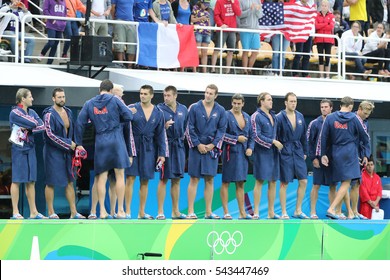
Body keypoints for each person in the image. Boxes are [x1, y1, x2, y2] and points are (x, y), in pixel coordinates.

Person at [74, 79, 135, 219]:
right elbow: (129, 115)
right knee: (120, 176)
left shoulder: (89, 103)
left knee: (101, 177)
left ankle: (102, 211)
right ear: (111, 90)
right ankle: (120, 210)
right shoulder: (115, 99)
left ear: (99, 90)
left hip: (100, 140)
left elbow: (79, 123)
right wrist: (115, 118)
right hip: (116, 139)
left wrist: (79, 142)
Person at [319, 96, 370, 219]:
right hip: (350, 152)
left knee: (343, 182)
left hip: (335, 152)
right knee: (347, 182)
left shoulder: (330, 118)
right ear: (351, 107)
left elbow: (323, 137)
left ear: (340, 105)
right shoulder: (354, 118)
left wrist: (323, 154)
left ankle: (345, 211)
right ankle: (332, 208)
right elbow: (365, 137)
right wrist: (365, 154)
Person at [125, 85, 167, 220]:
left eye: (145, 94)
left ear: (152, 95)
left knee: (145, 181)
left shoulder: (158, 112)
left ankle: (141, 212)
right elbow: (125, 129)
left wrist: (162, 154)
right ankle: (126, 211)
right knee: (130, 178)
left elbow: (161, 134)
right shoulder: (131, 108)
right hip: (133, 147)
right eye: (141, 93)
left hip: (149, 148)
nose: (142, 96)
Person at [87, 85, 129, 219]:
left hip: (109, 144)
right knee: (101, 177)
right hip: (112, 143)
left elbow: (129, 133)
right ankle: (95, 210)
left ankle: (112, 211)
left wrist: (130, 152)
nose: (118, 96)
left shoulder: (119, 104)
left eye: (120, 95)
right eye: (117, 94)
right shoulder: (110, 102)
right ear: (111, 91)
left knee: (111, 179)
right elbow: (128, 117)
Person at [42, 88, 85, 219]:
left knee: (70, 181)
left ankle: (74, 212)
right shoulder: (49, 114)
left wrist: (77, 145)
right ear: (53, 99)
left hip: (67, 153)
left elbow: (74, 129)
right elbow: (49, 135)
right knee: (51, 182)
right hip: (52, 152)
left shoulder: (68, 112)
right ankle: (51, 212)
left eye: (63, 96)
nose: (62, 99)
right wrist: (68, 144)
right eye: (59, 97)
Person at [186, 84, 227, 219]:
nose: (208, 95)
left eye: (211, 93)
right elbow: (189, 127)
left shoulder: (220, 110)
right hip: (196, 148)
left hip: (211, 149)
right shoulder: (194, 107)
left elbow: (222, 130)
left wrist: (213, 145)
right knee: (194, 179)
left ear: (216, 96)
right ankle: (190, 211)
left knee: (209, 179)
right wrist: (197, 144)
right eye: (206, 92)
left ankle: (208, 212)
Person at [9, 88, 46, 219]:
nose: (32, 99)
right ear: (23, 99)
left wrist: (30, 127)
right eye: (30, 96)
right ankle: (15, 212)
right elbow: (34, 123)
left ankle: (33, 212)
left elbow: (42, 126)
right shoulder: (15, 112)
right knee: (17, 180)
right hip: (19, 149)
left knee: (31, 181)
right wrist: (32, 124)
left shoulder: (32, 112)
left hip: (30, 148)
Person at [156, 86, 188, 220]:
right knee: (164, 179)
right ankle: (160, 212)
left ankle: (176, 211)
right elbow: (154, 129)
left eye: (168, 95)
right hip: (166, 146)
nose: (166, 98)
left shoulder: (183, 109)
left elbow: (186, 127)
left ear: (175, 96)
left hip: (179, 147)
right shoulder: (159, 109)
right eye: (164, 95)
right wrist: (163, 126)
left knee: (176, 180)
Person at [220, 94, 253, 220]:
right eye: (234, 103)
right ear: (231, 103)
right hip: (230, 152)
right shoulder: (226, 115)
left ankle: (242, 213)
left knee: (240, 183)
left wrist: (250, 148)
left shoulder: (247, 118)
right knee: (226, 182)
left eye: (239, 104)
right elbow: (221, 134)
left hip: (243, 154)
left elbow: (251, 136)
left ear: (243, 104)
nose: (236, 106)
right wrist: (236, 139)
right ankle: (226, 212)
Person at [276, 92, 308, 219]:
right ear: (286, 102)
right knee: (284, 182)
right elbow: (276, 136)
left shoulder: (300, 116)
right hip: (285, 150)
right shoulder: (279, 117)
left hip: (298, 150)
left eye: (295, 101)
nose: (293, 103)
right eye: (291, 101)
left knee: (304, 181)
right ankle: (284, 211)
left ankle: (298, 210)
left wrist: (305, 151)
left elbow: (304, 136)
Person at [251, 92, 283, 219]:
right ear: (261, 101)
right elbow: (256, 136)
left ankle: (271, 212)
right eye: (269, 99)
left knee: (273, 181)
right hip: (261, 152)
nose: (271, 101)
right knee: (259, 181)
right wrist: (273, 141)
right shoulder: (256, 116)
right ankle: (256, 211)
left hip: (273, 153)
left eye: (271, 99)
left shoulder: (274, 116)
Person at [307, 99, 336, 219]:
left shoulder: (335, 122)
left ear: (331, 108)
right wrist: (313, 158)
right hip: (318, 159)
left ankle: (332, 211)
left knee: (333, 186)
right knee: (316, 185)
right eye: (322, 107)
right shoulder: (314, 123)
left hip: (332, 160)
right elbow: (309, 142)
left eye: (326, 107)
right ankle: (312, 212)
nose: (323, 109)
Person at [347, 100, 374, 219]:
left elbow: (366, 141)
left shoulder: (366, 123)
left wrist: (365, 156)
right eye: (364, 113)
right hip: (348, 155)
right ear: (359, 109)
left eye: (368, 114)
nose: (366, 116)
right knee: (345, 184)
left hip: (359, 156)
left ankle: (354, 210)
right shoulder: (350, 118)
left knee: (356, 183)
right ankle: (348, 211)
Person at [210, 0, 241, 74]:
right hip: (222, 30)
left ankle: (228, 71)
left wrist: (233, 3)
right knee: (217, 48)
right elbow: (216, 15)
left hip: (232, 29)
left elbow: (238, 13)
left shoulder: (235, 1)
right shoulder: (219, 1)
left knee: (231, 51)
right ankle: (213, 69)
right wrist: (220, 24)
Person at [291, 0, 316, 78]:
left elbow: (313, 19)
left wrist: (313, 32)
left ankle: (305, 73)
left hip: (309, 32)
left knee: (307, 54)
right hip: (299, 32)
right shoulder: (296, 5)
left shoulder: (311, 5)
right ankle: (295, 73)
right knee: (298, 53)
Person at [237, 0, 262, 75]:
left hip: (255, 29)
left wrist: (257, 10)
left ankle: (249, 69)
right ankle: (245, 71)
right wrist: (250, 10)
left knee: (255, 51)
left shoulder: (258, 1)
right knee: (245, 50)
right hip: (245, 29)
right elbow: (239, 15)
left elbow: (260, 15)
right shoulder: (240, 1)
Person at [40, 0, 67, 64]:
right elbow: (45, 10)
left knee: (55, 45)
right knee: (51, 42)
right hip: (51, 25)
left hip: (60, 26)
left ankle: (49, 63)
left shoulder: (63, 1)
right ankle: (42, 53)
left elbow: (65, 12)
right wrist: (51, 19)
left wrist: (64, 22)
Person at [314, 0, 335, 78]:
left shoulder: (332, 16)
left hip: (328, 40)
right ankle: (321, 75)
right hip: (319, 39)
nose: (324, 7)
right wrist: (326, 23)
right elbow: (316, 26)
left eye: (325, 5)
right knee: (320, 57)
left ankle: (327, 75)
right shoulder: (316, 15)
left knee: (327, 57)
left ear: (328, 7)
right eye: (322, 5)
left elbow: (331, 27)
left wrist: (321, 25)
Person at [191, 0, 211, 73]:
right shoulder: (195, 8)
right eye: (205, 4)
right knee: (197, 51)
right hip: (198, 32)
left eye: (207, 5)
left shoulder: (207, 10)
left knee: (204, 52)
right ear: (201, 2)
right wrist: (200, 18)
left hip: (206, 32)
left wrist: (209, 30)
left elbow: (208, 21)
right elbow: (192, 19)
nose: (206, 6)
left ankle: (204, 71)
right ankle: (194, 70)